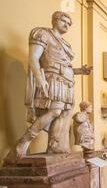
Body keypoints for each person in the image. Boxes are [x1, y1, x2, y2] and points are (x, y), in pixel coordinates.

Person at [8, 11, 92, 159]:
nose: (66, 25)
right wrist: (40, 79)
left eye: (69, 23)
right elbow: (33, 58)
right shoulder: (42, 34)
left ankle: (55, 146)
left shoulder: (66, 44)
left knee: (63, 115)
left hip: (67, 82)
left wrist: (80, 70)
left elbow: (67, 67)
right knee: (55, 111)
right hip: (52, 79)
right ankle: (24, 141)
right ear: (54, 20)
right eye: (63, 21)